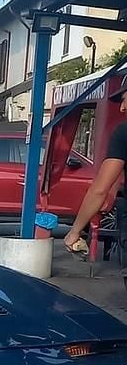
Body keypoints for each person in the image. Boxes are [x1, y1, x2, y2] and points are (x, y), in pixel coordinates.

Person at [64, 77, 127, 252]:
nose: (122, 108)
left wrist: (75, 231)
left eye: (123, 100)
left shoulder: (123, 132)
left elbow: (99, 189)